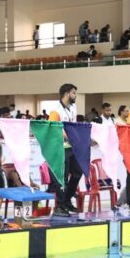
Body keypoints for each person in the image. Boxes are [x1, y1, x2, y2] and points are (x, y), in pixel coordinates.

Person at [46, 83, 83, 216]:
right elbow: (53, 128)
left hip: (72, 147)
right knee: (62, 178)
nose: (75, 95)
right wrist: (69, 136)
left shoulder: (73, 107)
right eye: (73, 93)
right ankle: (60, 206)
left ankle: (67, 200)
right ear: (67, 94)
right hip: (59, 149)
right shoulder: (56, 111)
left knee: (77, 173)